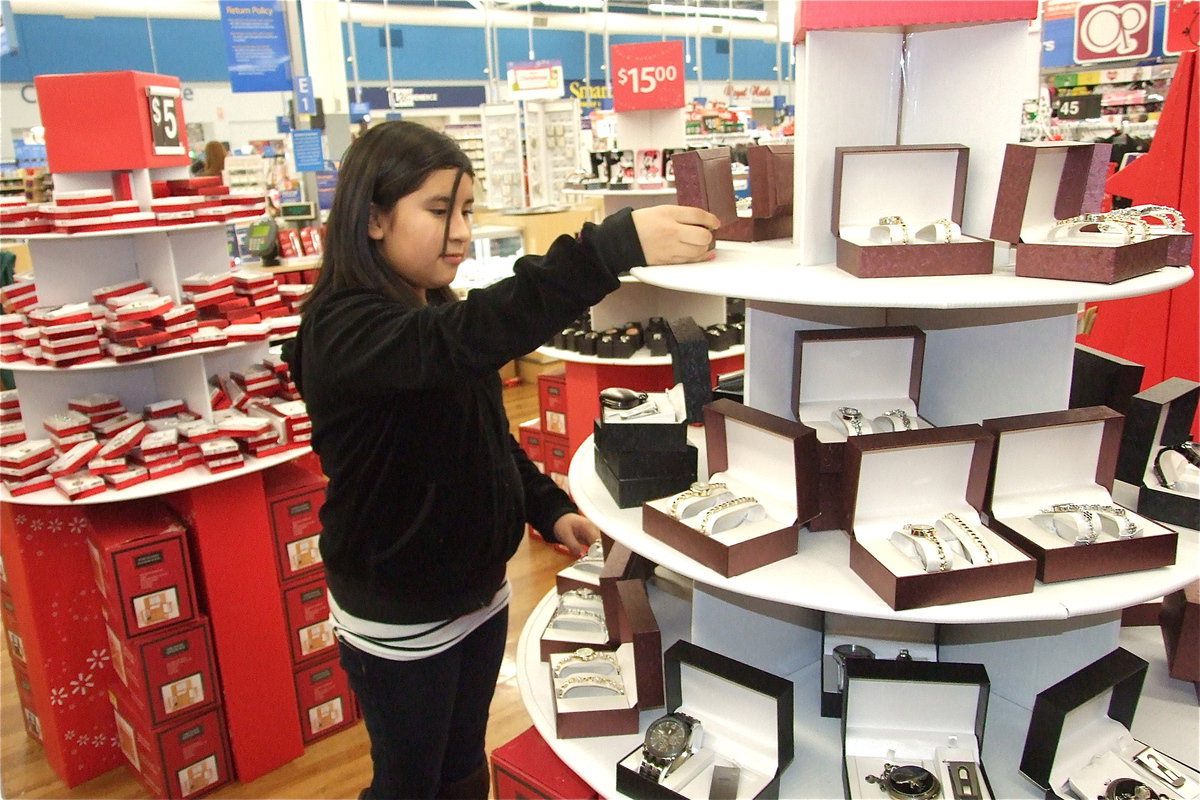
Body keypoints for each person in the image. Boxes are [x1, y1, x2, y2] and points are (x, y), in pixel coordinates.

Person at [283, 120, 718, 800]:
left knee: (460, 772)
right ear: (372, 217)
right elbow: (468, 337)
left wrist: (544, 506)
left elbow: (482, 434)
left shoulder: (430, 302)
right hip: (400, 613)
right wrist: (607, 250)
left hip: (480, 598)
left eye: (466, 211)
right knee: (406, 786)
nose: (459, 232)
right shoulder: (344, 329)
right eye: (438, 210)